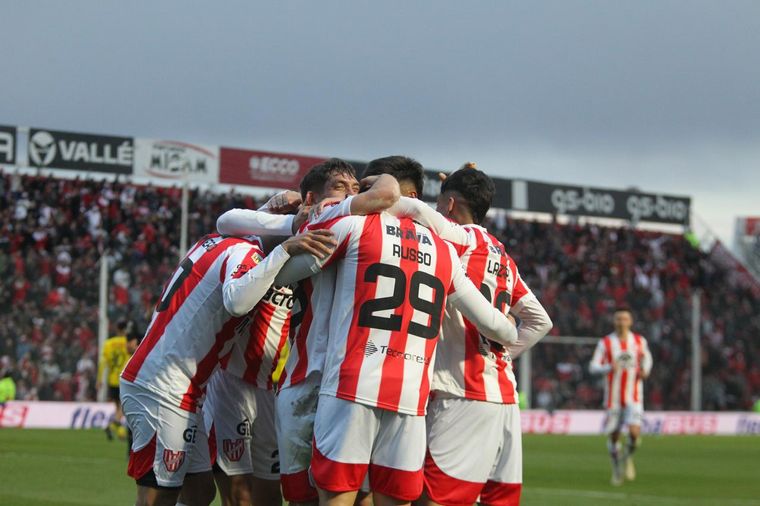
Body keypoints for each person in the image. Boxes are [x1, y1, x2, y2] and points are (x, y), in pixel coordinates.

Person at [273, 182, 519, 506]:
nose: (358, 195)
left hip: (351, 389)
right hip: (409, 399)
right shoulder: (444, 250)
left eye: (366, 186)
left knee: (336, 499)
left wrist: (286, 245)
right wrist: (511, 327)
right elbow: (495, 325)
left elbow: (282, 275)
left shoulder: (356, 226)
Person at [217, 158, 400, 505]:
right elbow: (226, 221)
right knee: (265, 496)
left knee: (354, 491)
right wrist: (287, 218)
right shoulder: (279, 239)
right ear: (313, 198)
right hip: (264, 381)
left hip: (330, 382)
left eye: (355, 189)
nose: (349, 195)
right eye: (339, 187)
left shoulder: (354, 237)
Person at [120, 227, 336, 506]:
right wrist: (284, 248)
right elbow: (237, 302)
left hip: (190, 390)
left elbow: (232, 220)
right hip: (163, 385)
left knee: (200, 492)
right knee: (159, 496)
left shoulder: (218, 244)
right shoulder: (245, 255)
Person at [386, 166, 553, 505]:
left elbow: (412, 208)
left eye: (439, 202)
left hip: (461, 393)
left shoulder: (460, 239)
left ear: (449, 205)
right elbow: (540, 321)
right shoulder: (503, 257)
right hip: (504, 398)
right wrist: (501, 353)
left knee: (429, 499)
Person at [589, 307, 653, 486]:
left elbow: (647, 358)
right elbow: (593, 366)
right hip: (613, 398)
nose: (621, 322)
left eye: (625, 319)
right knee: (615, 436)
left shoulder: (639, 341)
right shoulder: (606, 343)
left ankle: (627, 457)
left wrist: (646, 370)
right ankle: (617, 467)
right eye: (618, 319)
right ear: (614, 321)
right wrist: (608, 367)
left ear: (630, 322)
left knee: (634, 433)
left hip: (634, 396)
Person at [97, 319, 130, 440]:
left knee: (118, 407)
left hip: (112, 380)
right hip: (124, 378)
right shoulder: (128, 342)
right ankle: (111, 426)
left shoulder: (108, 343)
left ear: (117, 329)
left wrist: (99, 379)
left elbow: (103, 363)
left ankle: (121, 431)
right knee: (124, 408)